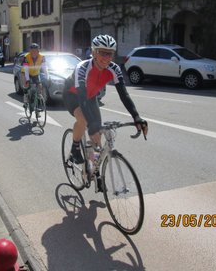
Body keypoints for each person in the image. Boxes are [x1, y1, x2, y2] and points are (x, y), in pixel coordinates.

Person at [63, 35, 148, 191]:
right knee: (84, 120)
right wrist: (92, 125)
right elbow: (81, 97)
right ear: (94, 52)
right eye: (102, 52)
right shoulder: (82, 67)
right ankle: (75, 147)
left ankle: (92, 170)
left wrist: (136, 117)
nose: (106, 57)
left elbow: (124, 95)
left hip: (91, 96)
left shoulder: (114, 69)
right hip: (73, 95)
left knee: (97, 139)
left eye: (109, 53)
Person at [21, 43, 49, 109]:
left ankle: (37, 104)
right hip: (25, 72)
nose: (34, 52)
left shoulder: (42, 57)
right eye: (32, 51)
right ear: (30, 51)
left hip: (36, 73)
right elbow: (26, 69)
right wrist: (27, 79)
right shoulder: (26, 57)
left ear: (38, 51)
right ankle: (25, 100)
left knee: (39, 86)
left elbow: (45, 67)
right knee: (26, 85)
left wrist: (47, 77)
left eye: (35, 50)